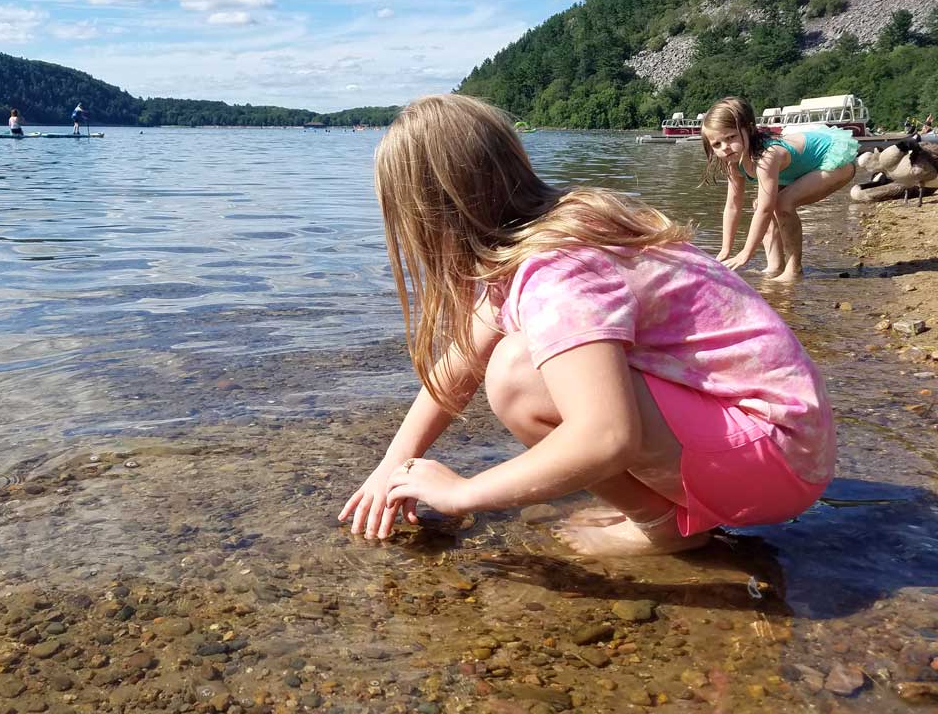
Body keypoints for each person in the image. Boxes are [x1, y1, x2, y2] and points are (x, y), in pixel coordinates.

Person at [338, 94, 835, 556]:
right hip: (792, 445)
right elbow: (459, 363)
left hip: (776, 463)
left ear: (430, 215)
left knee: (517, 375)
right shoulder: (554, 230)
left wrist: (462, 493)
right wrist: (392, 465)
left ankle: (662, 526)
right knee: (517, 360)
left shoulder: (557, 268)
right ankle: (676, 509)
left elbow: (605, 437)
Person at [702, 97, 857, 281]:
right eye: (717, 144)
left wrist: (745, 254)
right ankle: (775, 266)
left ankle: (793, 270)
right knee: (760, 202)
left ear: (749, 128)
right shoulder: (733, 164)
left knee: (782, 203)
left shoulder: (767, 156)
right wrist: (725, 250)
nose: (725, 148)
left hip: (834, 160)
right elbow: (732, 207)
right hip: (802, 169)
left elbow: (766, 210)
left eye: (731, 137)